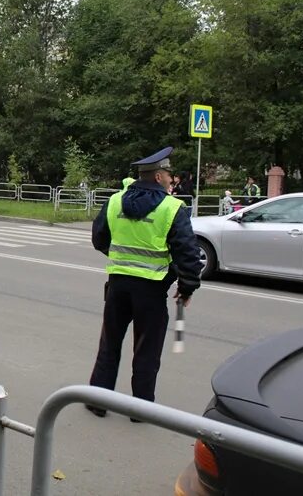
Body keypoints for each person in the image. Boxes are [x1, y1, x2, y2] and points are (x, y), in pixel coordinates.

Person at [87, 146, 202, 421]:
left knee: (110, 343)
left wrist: (121, 261)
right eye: (169, 175)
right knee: (147, 349)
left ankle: (97, 401)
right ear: (160, 176)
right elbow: (187, 253)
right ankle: (140, 408)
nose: (170, 179)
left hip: (117, 286)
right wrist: (186, 287)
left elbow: (99, 239)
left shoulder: (115, 201)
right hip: (151, 290)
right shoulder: (172, 208)